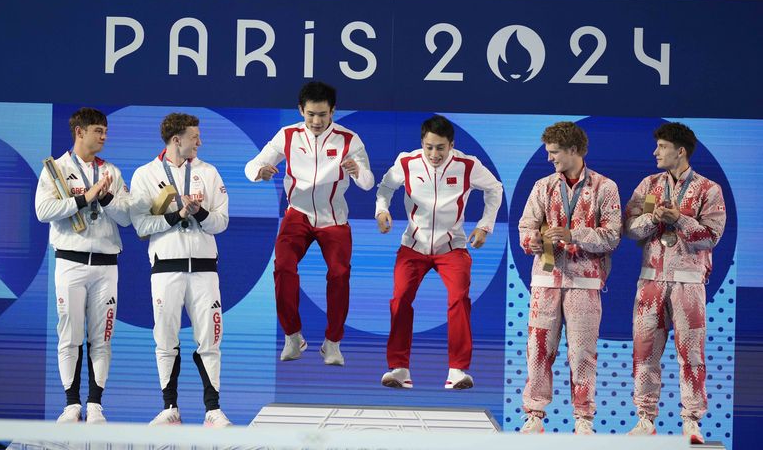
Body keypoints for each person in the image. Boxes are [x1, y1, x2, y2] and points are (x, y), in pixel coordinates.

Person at [245, 82, 374, 365]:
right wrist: (259, 172)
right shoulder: (287, 135)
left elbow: (368, 183)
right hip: (297, 214)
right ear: (301, 110)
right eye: (311, 114)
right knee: (283, 267)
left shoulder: (349, 140)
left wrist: (357, 171)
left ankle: (333, 342)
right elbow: (251, 165)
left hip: (334, 218)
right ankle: (293, 335)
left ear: (333, 112)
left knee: (340, 274)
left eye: (323, 115)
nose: (317, 121)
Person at [375, 115, 503, 390]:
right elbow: (385, 187)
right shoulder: (407, 162)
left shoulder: (468, 165)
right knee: (400, 300)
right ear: (422, 142)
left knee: (459, 299)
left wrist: (485, 226)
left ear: (452, 145)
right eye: (429, 147)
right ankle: (399, 368)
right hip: (413, 246)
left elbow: (495, 189)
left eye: (441, 148)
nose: (434, 154)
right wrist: (381, 210)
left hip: (452, 247)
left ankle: (457, 370)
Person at [625, 122, 726, 445]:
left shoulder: (709, 190)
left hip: (689, 284)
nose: (655, 152)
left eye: (662, 147)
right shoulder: (648, 185)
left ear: (679, 151)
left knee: (691, 355)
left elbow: (710, 237)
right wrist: (654, 218)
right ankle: (645, 418)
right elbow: (629, 228)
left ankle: (691, 422)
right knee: (644, 353)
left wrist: (678, 219)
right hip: (650, 281)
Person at [517, 121, 621, 435]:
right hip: (546, 280)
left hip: (585, 282)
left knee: (582, 352)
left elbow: (613, 236)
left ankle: (584, 419)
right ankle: (534, 415)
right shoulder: (543, 187)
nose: (550, 158)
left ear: (573, 150)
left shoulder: (606, 187)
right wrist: (533, 241)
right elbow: (525, 228)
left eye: (554, 152)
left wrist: (573, 234)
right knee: (538, 350)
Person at [130, 113, 231, 427]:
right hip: (165, 268)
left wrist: (198, 211)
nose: (200, 142)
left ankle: (212, 410)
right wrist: (176, 215)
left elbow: (222, 222)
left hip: (204, 269)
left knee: (210, 337)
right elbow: (141, 225)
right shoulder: (145, 174)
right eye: (194, 137)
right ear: (177, 140)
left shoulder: (209, 172)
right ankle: (169, 407)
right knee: (165, 337)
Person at [35, 107, 131, 423]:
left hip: (106, 264)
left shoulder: (112, 173)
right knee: (70, 333)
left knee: (102, 335)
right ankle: (71, 404)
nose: (104, 137)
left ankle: (95, 404)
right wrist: (83, 197)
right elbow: (43, 210)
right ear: (80, 132)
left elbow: (128, 218)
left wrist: (103, 198)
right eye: (98, 131)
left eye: (105, 131)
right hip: (70, 262)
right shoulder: (56, 170)